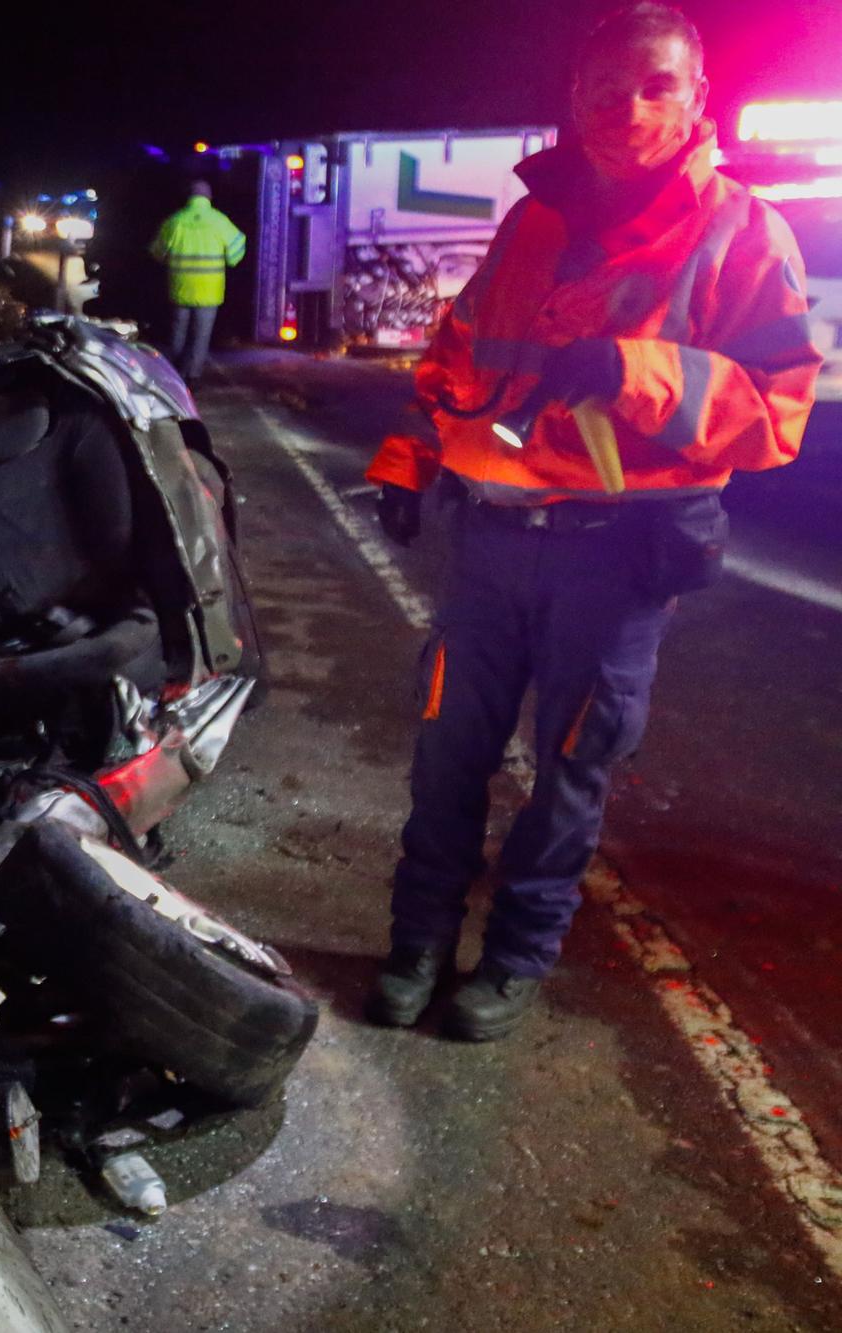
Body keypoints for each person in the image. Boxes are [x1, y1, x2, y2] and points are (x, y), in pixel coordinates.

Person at [365, 2, 821, 1040]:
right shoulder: (532, 222)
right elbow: (456, 359)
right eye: (606, 92)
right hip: (488, 539)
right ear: (572, 101)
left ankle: (512, 960)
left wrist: (633, 369)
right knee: (445, 756)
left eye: (655, 87)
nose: (629, 111)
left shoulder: (740, 232)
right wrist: (405, 458)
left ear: (695, 97)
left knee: (567, 775)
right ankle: (416, 942)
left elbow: (775, 411)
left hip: (612, 560)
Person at [151, 181, 246, 382]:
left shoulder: (175, 221)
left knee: (177, 332)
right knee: (200, 335)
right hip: (209, 289)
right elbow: (238, 247)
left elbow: (157, 252)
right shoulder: (220, 221)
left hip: (180, 287)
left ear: (189, 198)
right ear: (208, 198)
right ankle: (193, 375)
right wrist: (231, 259)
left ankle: (175, 374)